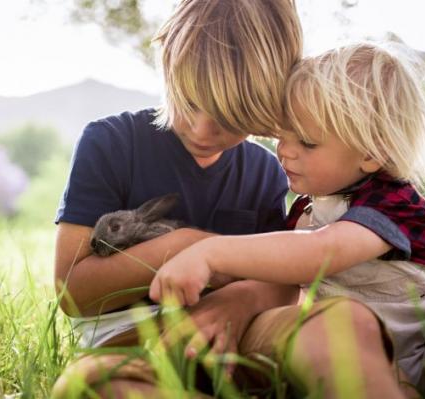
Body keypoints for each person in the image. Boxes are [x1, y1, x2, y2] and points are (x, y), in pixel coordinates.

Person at [150, 42, 425, 398]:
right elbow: (285, 277)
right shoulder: (306, 211)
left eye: (305, 141)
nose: (284, 150)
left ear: (371, 152)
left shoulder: (391, 200)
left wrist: (211, 253)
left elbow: (322, 251)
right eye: (282, 134)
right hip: (363, 353)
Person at [52, 0, 303, 396]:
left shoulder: (265, 172)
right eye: (187, 102)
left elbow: (287, 281)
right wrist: (189, 247)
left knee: (330, 328)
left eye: (228, 118)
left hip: (235, 332)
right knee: (90, 386)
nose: (201, 129)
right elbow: (74, 293)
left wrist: (239, 298)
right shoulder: (111, 143)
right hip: (136, 342)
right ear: (167, 63)